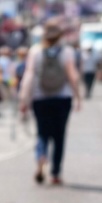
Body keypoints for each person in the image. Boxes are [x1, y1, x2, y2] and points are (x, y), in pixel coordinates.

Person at [20, 18, 82, 184]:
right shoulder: (67, 51)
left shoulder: (35, 51)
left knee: (42, 132)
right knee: (59, 135)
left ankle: (41, 158)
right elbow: (73, 76)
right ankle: (55, 172)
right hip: (63, 98)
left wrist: (24, 99)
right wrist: (78, 97)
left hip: (40, 98)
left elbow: (29, 76)